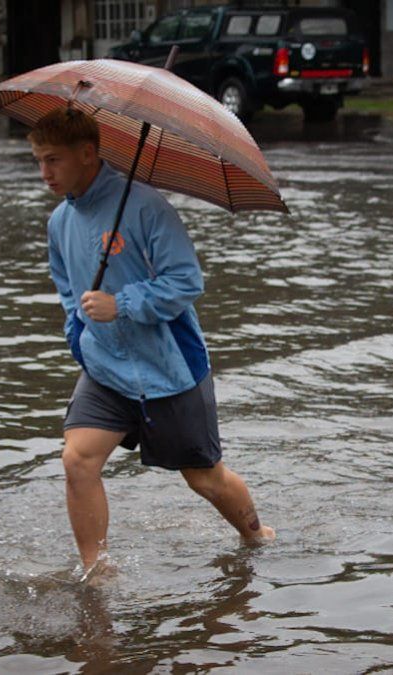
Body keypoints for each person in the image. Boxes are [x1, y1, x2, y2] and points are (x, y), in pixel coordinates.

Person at [29, 107, 275, 577]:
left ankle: (255, 537)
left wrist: (121, 303)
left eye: (54, 160)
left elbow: (186, 282)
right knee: (78, 459)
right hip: (104, 367)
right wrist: (78, 335)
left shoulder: (146, 208)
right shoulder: (59, 222)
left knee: (204, 477)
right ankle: (95, 572)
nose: (45, 173)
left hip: (170, 367)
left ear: (87, 154)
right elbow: (65, 289)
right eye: (39, 160)